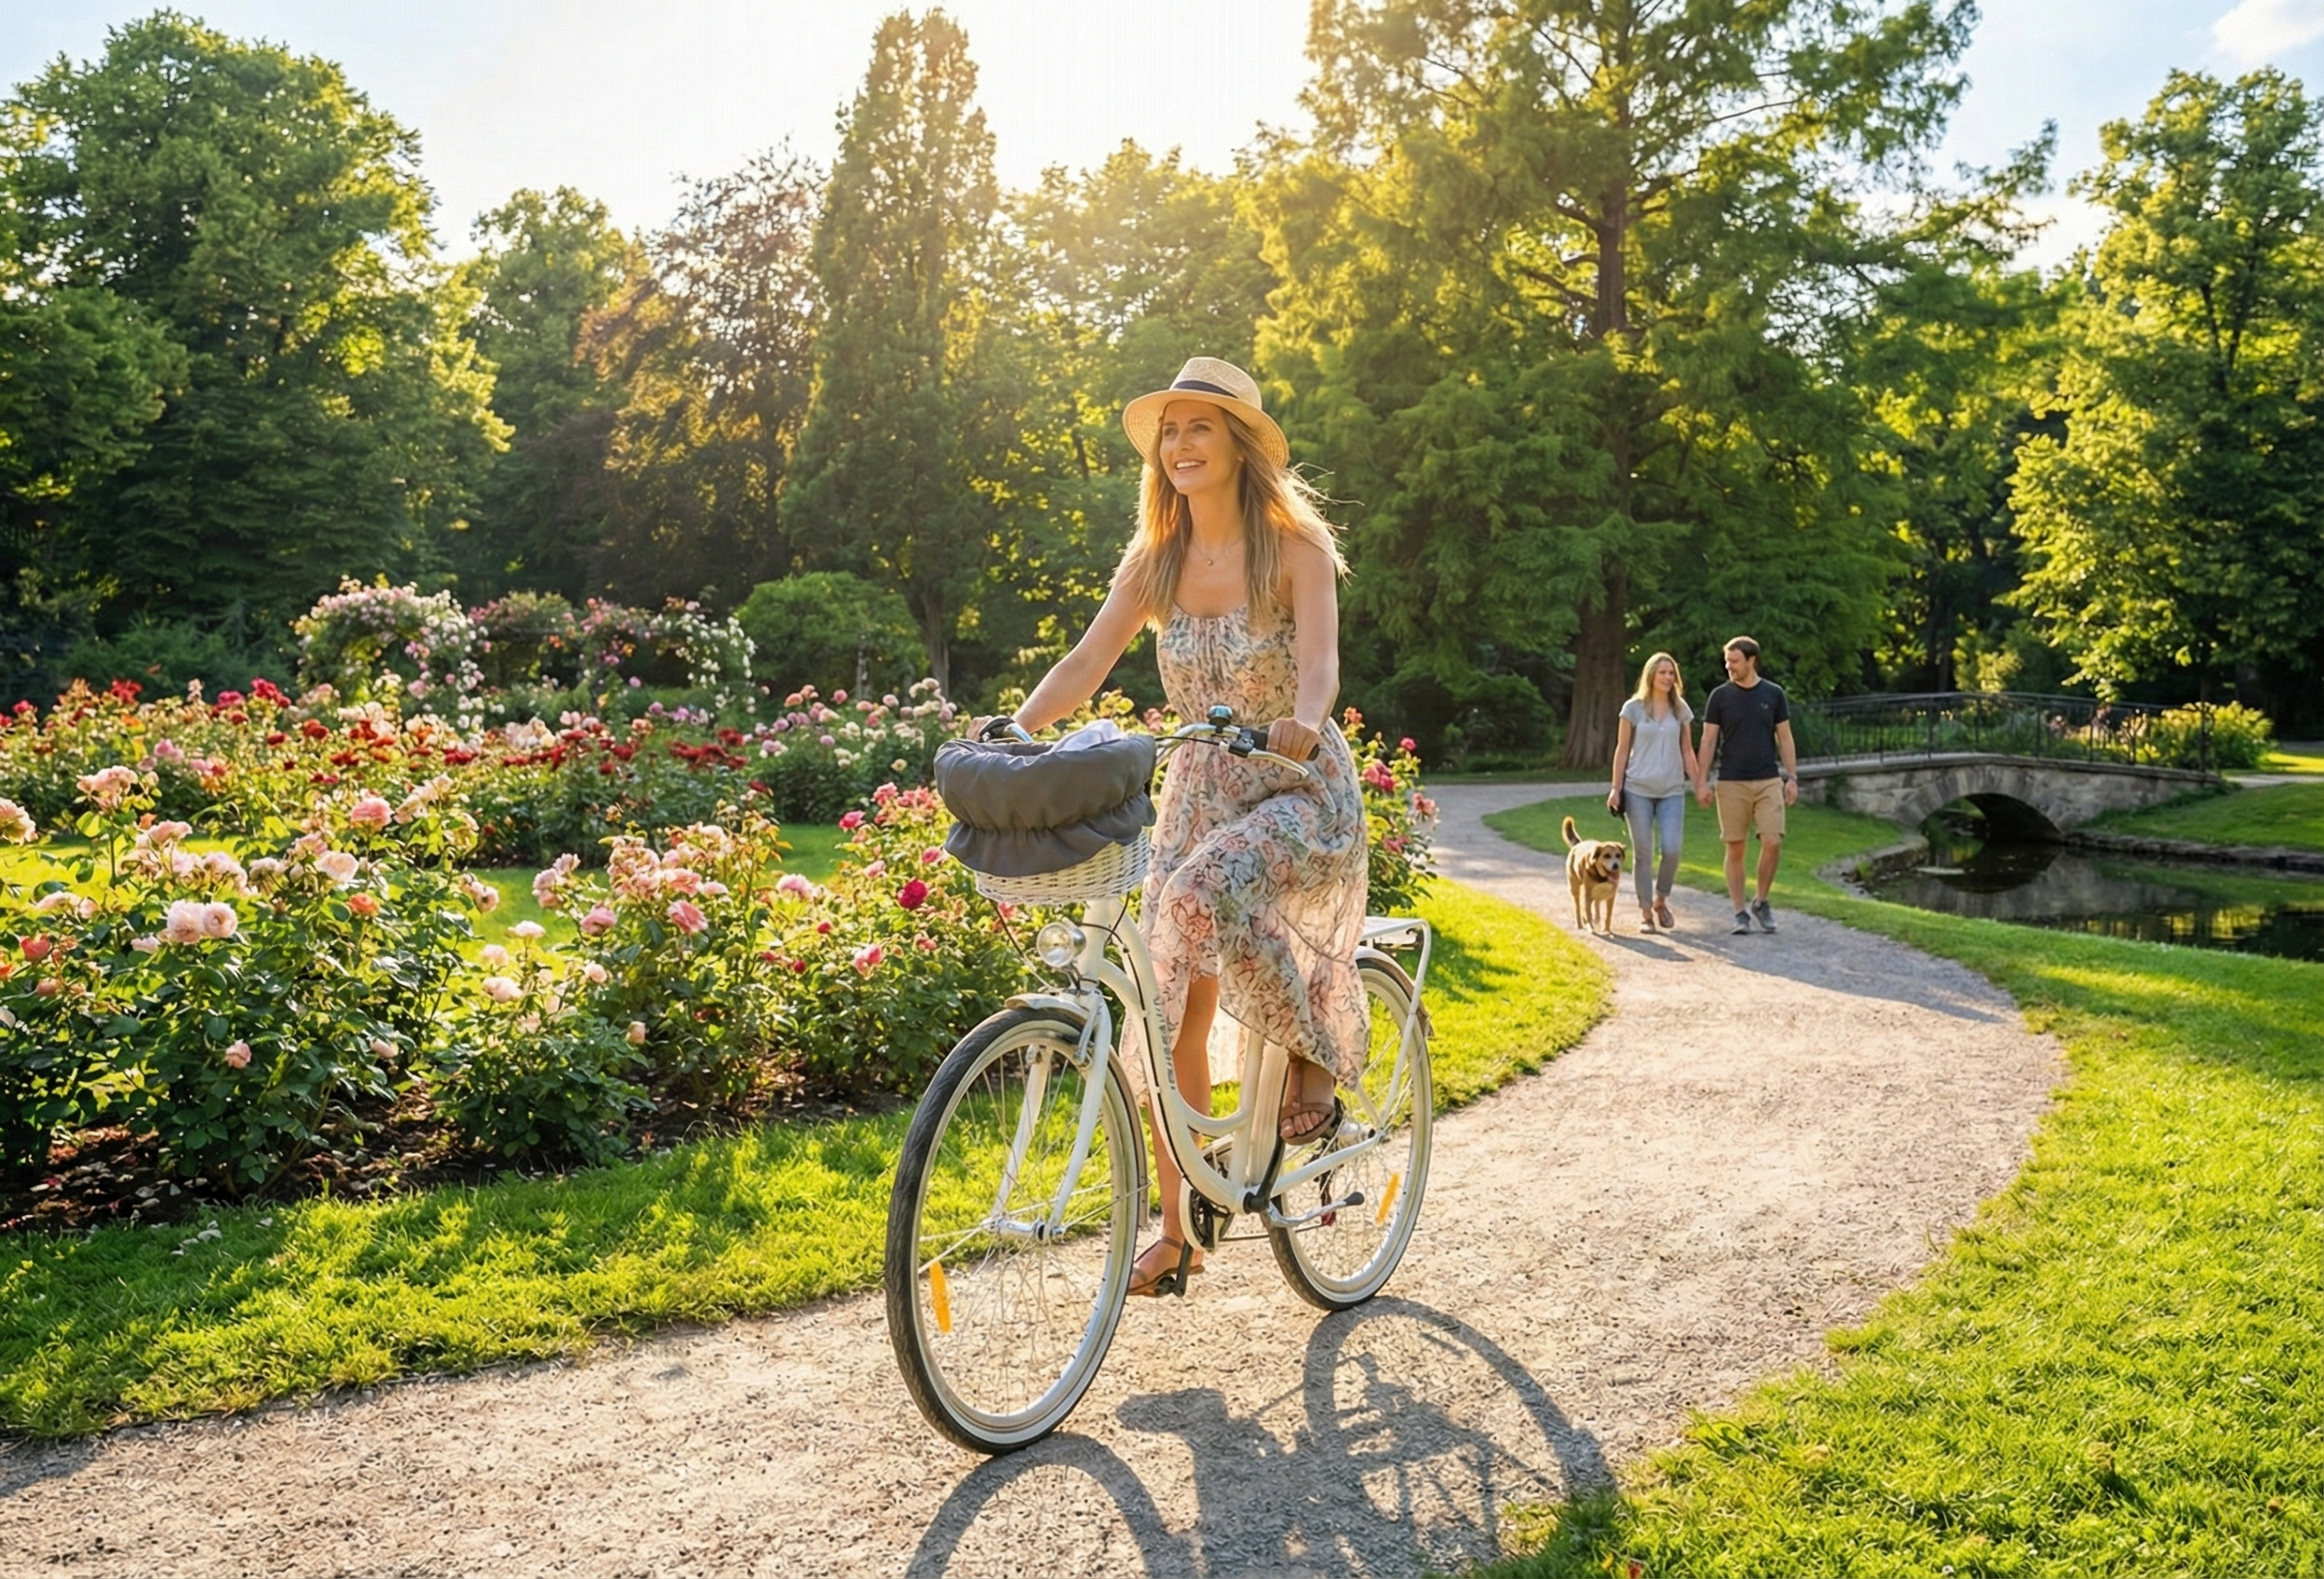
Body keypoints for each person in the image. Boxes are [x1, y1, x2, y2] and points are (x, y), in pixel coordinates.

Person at [994, 357, 1368, 1298]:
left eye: (1200, 427)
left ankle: (1314, 1057)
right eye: (1170, 431)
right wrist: (1015, 731)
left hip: (1293, 782)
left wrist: (1307, 719)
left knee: (1203, 894)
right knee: (1168, 1008)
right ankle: (1182, 1229)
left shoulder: (1296, 547)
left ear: (1239, 444)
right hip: (1199, 789)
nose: (1182, 445)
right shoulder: (1154, 557)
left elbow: (1319, 663)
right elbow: (1087, 659)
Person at [1694, 636, 1797, 934]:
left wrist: (1792, 777)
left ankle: (1761, 901)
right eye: (1727, 661)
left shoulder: (1773, 694)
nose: (1729, 666)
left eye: (1734, 661)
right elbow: (1708, 740)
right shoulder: (1720, 697)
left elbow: (1785, 737)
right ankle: (1739, 912)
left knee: (1772, 840)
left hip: (1767, 779)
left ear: (1752, 661)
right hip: (1731, 781)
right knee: (1735, 848)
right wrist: (1701, 781)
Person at [1606, 652, 1698, 931]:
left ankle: (1661, 899)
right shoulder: (1632, 709)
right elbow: (1622, 750)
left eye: (1671, 673)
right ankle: (1646, 912)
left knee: (1672, 849)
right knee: (1643, 852)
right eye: (1662, 673)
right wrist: (1615, 788)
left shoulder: (1680, 710)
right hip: (1637, 789)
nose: (1668, 678)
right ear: (1651, 676)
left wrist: (1700, 783)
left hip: (1671, 789)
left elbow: (1687, 750)